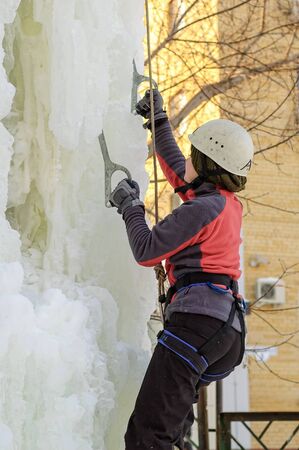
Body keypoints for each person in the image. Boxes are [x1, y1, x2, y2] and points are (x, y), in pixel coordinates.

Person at [109, 90, 254, 450]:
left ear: (206, 165)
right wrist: (157, 121)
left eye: (194, 155)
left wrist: (130, 207)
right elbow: (178, 170)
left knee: (148, 436)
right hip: (224, 333)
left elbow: (146, 251)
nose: (186, 159)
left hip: (197, 326)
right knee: (169, 431)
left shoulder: (201, 210)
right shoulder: (223, 203)